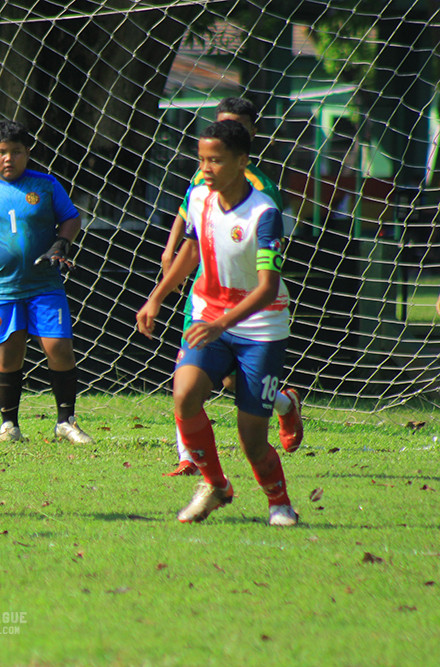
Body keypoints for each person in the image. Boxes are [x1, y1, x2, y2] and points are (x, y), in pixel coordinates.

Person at [136, 120, 299, 527]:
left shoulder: (264, 213)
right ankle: (215, 486)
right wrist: (156, 297)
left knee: (251, 437)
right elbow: (189, 253)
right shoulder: (198, 198)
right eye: (202, 159)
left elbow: (267, 287)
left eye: (216, 160)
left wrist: (221, 324)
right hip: (210, 315)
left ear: (242, 162)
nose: (206, 168)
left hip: (261, 327)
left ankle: (279, 503)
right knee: (185, 394)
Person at [0, 119, 92, 444]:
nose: (9, 158)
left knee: (59, 348)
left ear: (28, 153)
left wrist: (61, 243)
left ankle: (66, 421)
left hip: (45, 285)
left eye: (17, 152)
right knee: (8, 356)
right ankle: (10, 426)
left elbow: (71, 217)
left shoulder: (46, 185)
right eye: (2, 152)